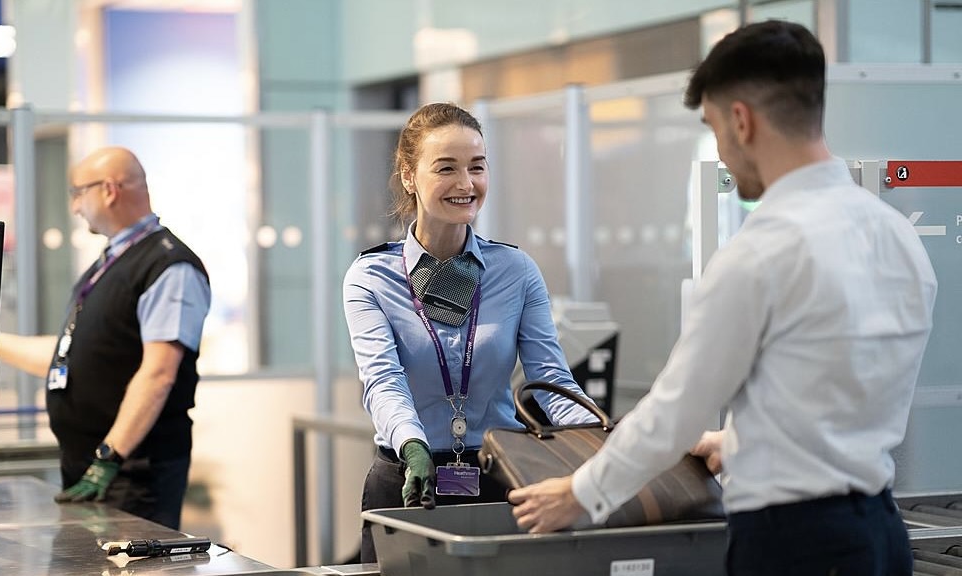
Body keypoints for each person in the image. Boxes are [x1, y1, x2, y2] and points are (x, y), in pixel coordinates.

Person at [508, 20, 937, 576]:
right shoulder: (898, 236)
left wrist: (579, 492)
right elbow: (842, 392)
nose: (723, 153)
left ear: (741, 120)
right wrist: (739, 443)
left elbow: (673, 414)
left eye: (713, 128)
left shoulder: (761, 253)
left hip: (794, 546)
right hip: (882, 536)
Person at [343, 102, 599, 563]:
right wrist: (413, 442)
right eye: (447, 168)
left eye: (477, 167)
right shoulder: (372, 276)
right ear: (408, 175)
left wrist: (600, 441)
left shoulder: (515, 271)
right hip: (407, 479)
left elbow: (552, 381)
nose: (466, 184)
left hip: (502, 479)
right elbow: (382, 380)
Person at [0, 146, 211, 530]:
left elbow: (159, 374)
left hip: (130, 474)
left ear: (109, 190)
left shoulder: (169, 265)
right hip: (93, 469)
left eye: (78, 192)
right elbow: (72, 355)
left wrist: (109, 458)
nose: (75, 206)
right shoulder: (113, 260)